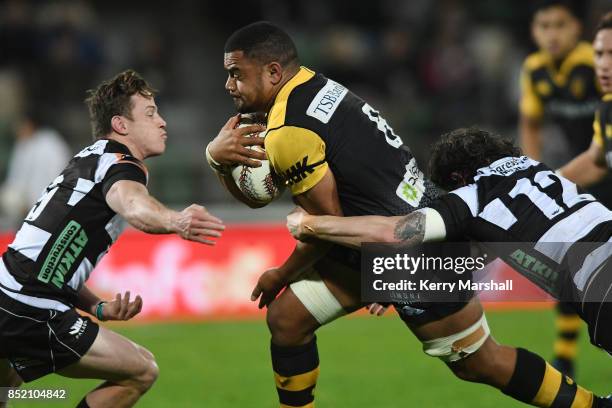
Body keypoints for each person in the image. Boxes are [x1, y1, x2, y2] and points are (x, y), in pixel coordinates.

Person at [207, 21, 604, 408]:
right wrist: (220, 161)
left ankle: (589, 406)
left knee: (482, 362)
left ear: (274, 72)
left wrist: (282, 272)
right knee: (287, 320)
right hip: (390, 229)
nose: (229, 86)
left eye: (236, 74)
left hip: (411, 249)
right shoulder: (312, 84)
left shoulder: (289, 133)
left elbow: (326, 225)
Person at [287, 127, 612, 386]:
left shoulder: (471, 198)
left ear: (456, 179)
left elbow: (397, 231)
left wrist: (313, 224)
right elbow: (482, 247)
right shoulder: (537, 170)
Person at [0, 70, 225, 408]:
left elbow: (49, 260)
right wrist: (175, 220)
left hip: (9, 292)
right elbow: (132, 203)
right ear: (121, 125)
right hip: (30, 308)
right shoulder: (122, 164)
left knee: (6, 389)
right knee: (142, 370)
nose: (162, 122)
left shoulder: (90, 160)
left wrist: (97, 307)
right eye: (150, 114)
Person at [519, 0, 603, 374]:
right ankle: (564, 355)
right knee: (573, 263)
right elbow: (531, 124)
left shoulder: (596, 64)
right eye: (543, 26)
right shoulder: (535, 70)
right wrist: (532, 174)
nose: (551, 34)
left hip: (595, 168)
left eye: (559, 25)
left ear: (576, 29)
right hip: (586, 172)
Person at [0, 107, 71, 228]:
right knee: (9, 197)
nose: (17, 129)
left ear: (30, 124)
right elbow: (15, 180)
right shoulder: (22, 145)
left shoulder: (50, 142)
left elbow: (62, 172)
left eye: (20, 125)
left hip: (54, 201)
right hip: (28, 206)